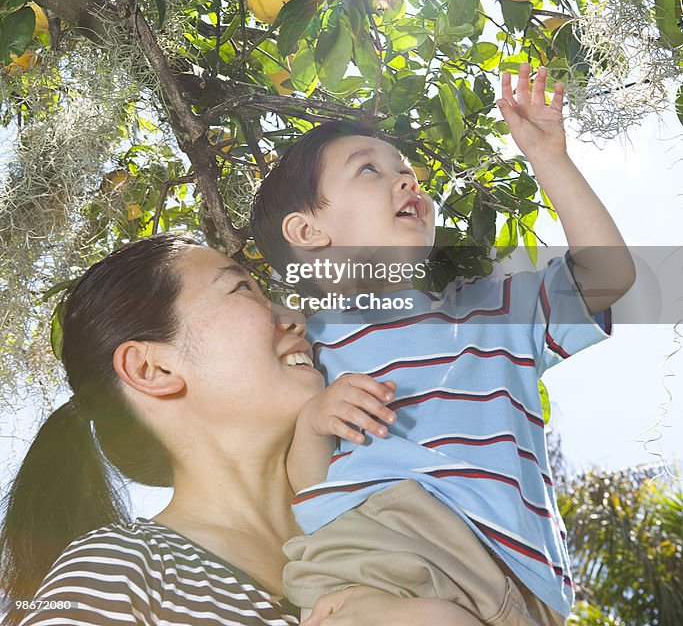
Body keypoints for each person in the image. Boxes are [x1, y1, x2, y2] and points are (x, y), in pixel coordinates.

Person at [250, 63, 637, 626]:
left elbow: (609, 275)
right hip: (379, 557)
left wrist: (549, 157)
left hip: (521, 582)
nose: (407, 181)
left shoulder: (495, 310)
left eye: (406, 171)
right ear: (309, 234)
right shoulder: (304, 342)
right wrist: (312, 422)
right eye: (369, 171)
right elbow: (305, 485)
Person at [0, 233, 469, 626]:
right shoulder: (123, 572)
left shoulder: (389, 522)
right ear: (153, 368)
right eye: (243, 289)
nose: (294, 318)